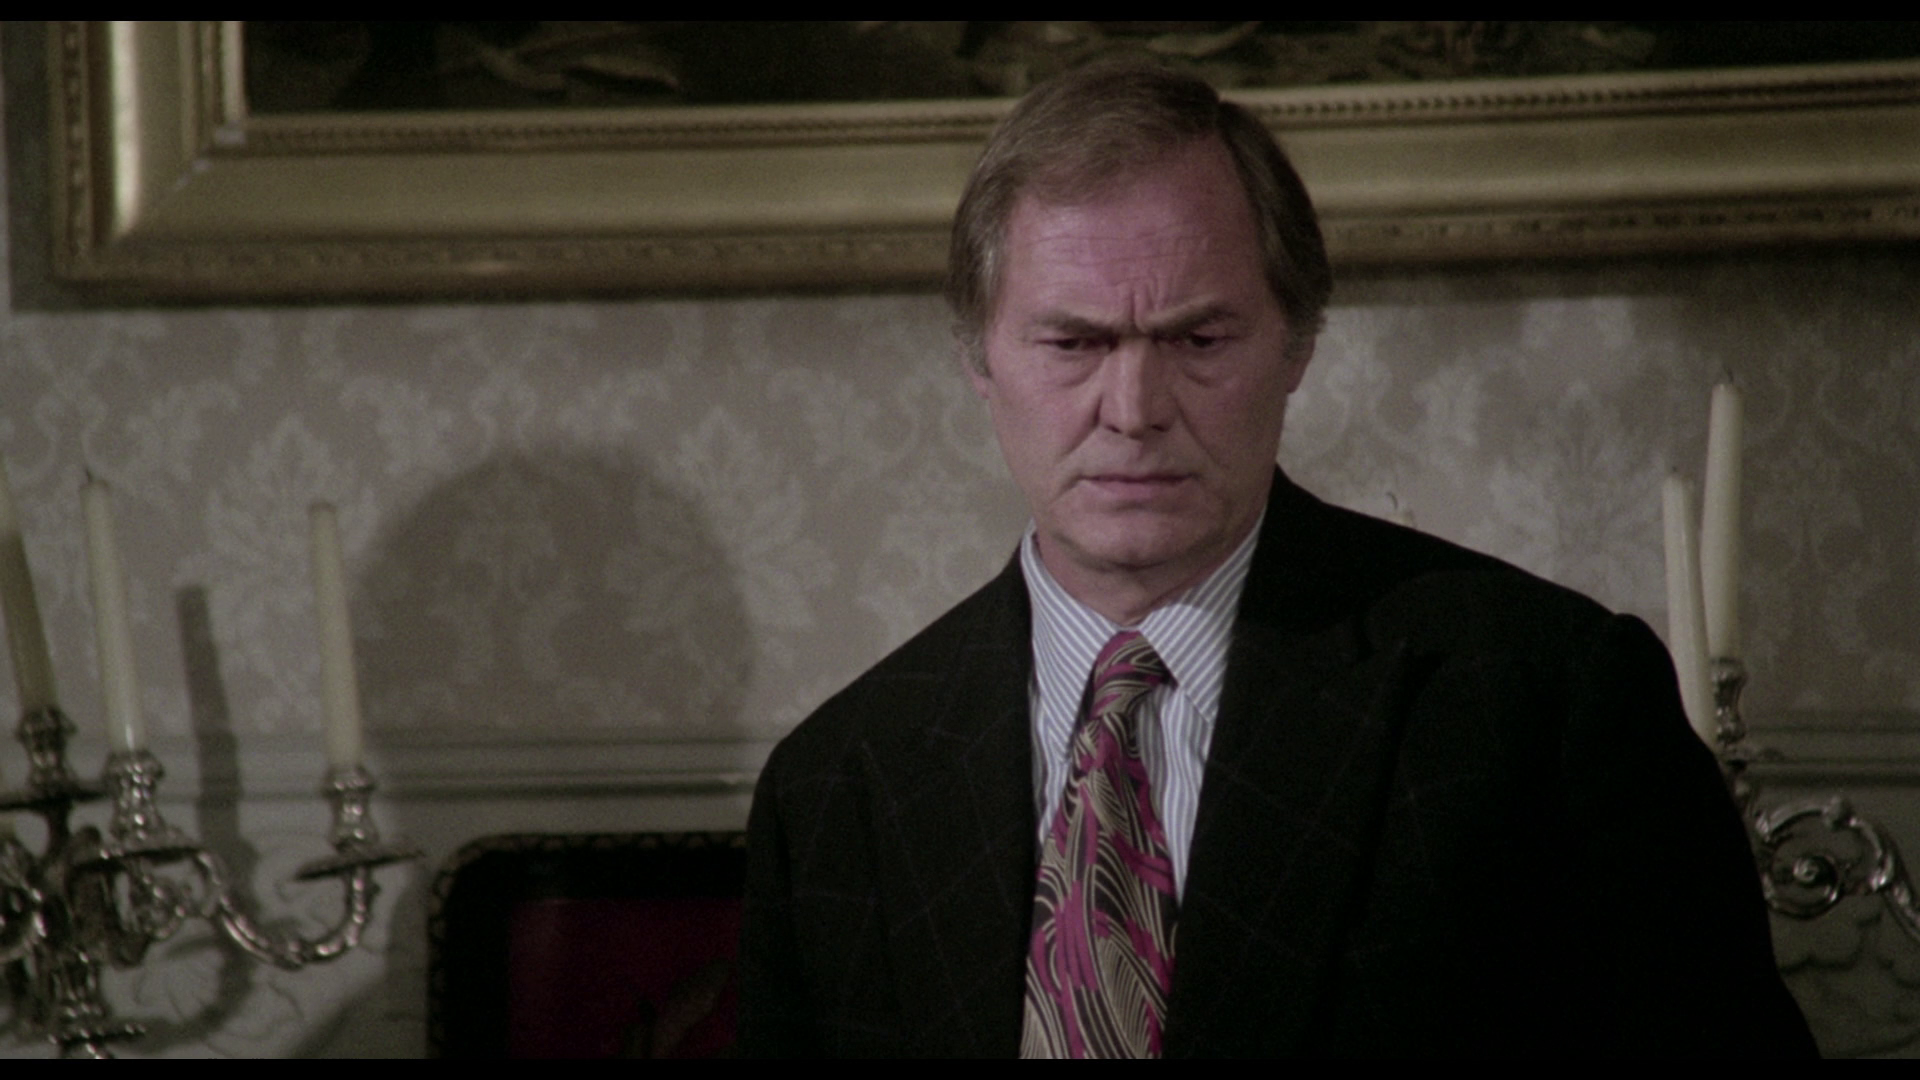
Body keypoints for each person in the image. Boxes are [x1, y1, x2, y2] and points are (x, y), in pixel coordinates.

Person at [736, 60, 1815, 1057]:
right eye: (1073, 343)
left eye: (1199, 340)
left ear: (1297, 344)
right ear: (979, 357)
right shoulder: (834, 787)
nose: (1133, 408)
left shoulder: (1545, 700)